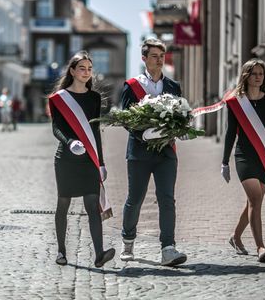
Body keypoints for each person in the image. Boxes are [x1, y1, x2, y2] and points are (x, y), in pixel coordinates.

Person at [119, 38, 187, 266]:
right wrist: (144, 134)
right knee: (135, 199)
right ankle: (128, 242)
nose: (159, 60)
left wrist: (182, 129)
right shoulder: (132, 85)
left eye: (161, 56)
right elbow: (127, 119)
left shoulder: (173, 86)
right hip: (139, 152)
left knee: (167, 199)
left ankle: (168, 248)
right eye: (154, 56)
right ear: (144, 59)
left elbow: (179, 115)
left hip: (166, 152)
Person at [48, 51, 114, 268]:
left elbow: (95, 131)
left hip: (89, 160)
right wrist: (70, 143)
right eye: (82, 68)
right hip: (66, 159)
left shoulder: (94, 98)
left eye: (89, 69)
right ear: (73, 71)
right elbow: (56, 128)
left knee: (93, 204)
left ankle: (99, 254)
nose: (86, 72)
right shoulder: (59, 98)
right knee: (63, 204)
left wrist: (101, 162)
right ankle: (61, 251)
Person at [221, 58, 265, 263]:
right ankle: (260, 247)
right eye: (254, 73)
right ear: (246, 76)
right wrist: (225, 161)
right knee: (255, 200)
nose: (258, 77)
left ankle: (235, 237)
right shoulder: (236, 102)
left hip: (264, 156)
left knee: (253, 203)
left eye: (261, 74)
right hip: (244, 156)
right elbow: (230, 133)